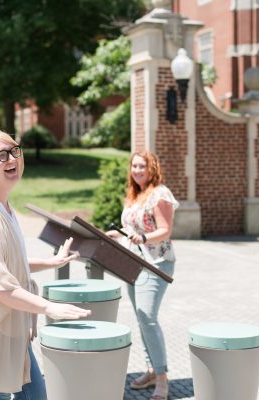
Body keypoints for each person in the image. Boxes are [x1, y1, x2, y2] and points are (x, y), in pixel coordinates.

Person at [0, 129, 91, 400]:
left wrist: (50, 261)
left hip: (12, 331)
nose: (11, 158)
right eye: (0, 155)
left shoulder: (3, 208)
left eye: (14, 151)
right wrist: (49, 307)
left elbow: (3, 266)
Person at [106, 150, 179, 400]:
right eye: (134, 166)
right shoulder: (134, 195)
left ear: (152, 168)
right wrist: (118, 234)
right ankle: (151, 370)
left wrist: (145, 237)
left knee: (148, 317)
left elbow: (165, 231)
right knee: (141, 318)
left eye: (142, 166)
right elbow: (131, 228)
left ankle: (162, 380)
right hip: (133, 263)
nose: (137, 170)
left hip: (156, 263)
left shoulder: (160, 194)